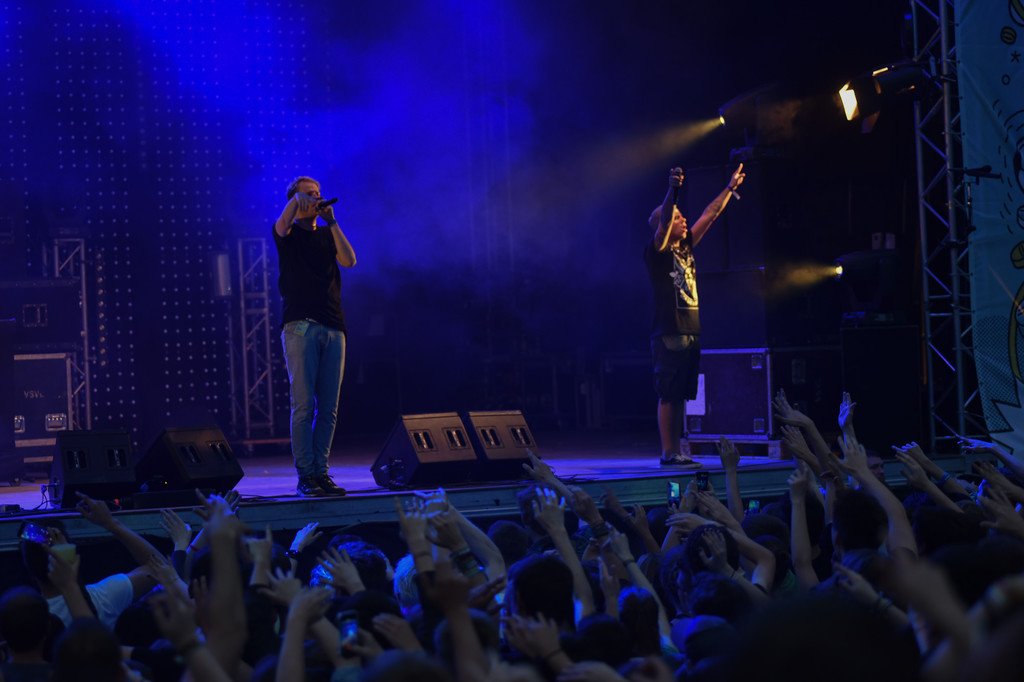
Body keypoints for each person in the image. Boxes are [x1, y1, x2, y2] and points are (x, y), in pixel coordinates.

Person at [644, 163, 746, 466]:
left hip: (690, 329)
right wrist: (673, 190)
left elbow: (710, 214)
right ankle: (668, 452)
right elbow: (664, 222)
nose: (683, 219)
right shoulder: (658, 252)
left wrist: (729, 188)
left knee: (681, 395)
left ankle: (676, 451)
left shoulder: (686, 246)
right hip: (669, 331)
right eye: (678, 217)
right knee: (668, 393)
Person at [273, 175, 357, 497]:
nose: (317, 197)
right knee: (304, 405)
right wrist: (299, 202)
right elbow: (282, 224)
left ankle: (321, 472)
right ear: (295, 198)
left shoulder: (325, 234)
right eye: (310, 193)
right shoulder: (288, 235)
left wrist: (332, 222)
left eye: (318, 193)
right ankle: (305, 475)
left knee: (329, 408)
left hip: (333, 326)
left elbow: (349, 260)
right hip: (301, 326)